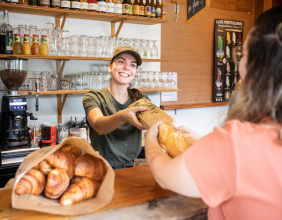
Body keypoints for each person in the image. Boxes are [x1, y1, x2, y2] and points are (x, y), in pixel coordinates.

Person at [144, 7, 282, 220]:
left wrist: (150, 140)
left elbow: (166, 176)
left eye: (243, 54)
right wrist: (203, 142)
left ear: (256, 66)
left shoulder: (237, 143)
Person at [83, 46, 148, 169]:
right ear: (110, 67)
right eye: (121, 62)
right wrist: (123, 116)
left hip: (133, 166)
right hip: (101, 168)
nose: (127, 68)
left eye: (132, 65)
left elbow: (153, 128)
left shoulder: (141, 99)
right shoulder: (94, 97)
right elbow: (99, 126)